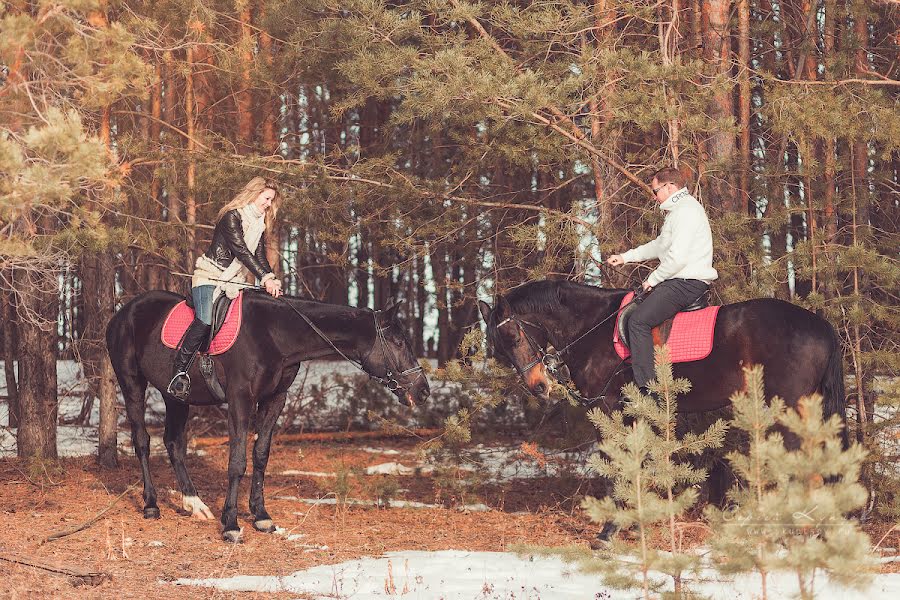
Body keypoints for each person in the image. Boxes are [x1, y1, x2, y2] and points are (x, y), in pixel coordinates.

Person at [167, 176, 284, 399]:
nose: (268, 204)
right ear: (255, 193)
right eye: (267, 198)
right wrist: (264, 279)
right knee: (205, 319)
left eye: (271, 200)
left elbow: (258, 255)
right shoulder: (232, 217)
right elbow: (241, 251)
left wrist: (270, 277)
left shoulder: (258, 223)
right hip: (209, 277)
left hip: (233, 281)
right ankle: (179, 371)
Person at [606, 167, 718, 395]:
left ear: (670, 187)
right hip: (679, 279)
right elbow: (659, 245)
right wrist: (626, 257)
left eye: (656, 190)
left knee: (638, 321)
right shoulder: (677, 212)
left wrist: (652, 280)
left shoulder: (686, 211)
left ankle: (648, 391)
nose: (654, 195)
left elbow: (677, 258)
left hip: (686, 282)